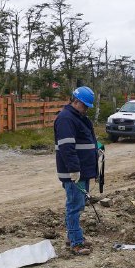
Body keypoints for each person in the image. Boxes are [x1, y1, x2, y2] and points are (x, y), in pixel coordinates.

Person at [54, 86, 98, 256]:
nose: (86, 109)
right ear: (77, 101)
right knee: (74, 206)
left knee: (78, 205)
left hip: (83, 170)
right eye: (85, 105)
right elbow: (67, 147)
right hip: (74, 173)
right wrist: (73, 170)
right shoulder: (66, 119)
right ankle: (76, 243)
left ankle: (73, 236)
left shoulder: (77, 117)